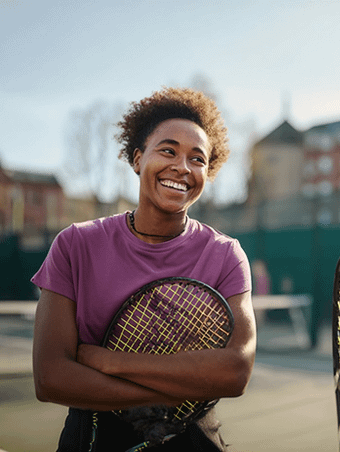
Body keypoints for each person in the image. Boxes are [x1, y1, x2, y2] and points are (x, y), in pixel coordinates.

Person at [31, 87, 256, 451]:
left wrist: (110, 361)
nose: (182, 167)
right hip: (92, 437)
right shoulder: (75, 244)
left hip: (193, 439)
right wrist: (163, 396)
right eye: (168, 150)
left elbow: (235, 371)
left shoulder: (226, 254)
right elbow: (51, 377)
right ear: (137, 159)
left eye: (197, 159)